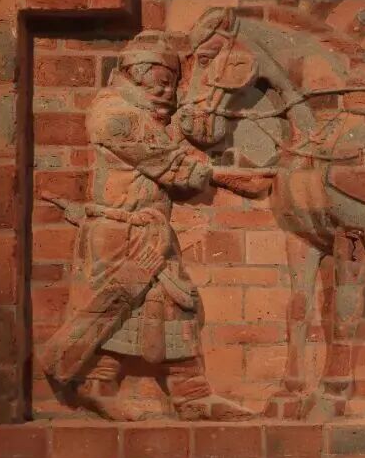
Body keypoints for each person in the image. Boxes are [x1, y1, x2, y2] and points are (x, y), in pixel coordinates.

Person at [40, 30, 268, 421]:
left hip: (146, 230)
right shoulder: (115, 116)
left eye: (172, 83)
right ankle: (96, 384)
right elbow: (172, 165)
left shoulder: (145, 117)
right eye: (160, 82)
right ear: (136, 73)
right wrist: (233, 179)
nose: (167, 92)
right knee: (114, 307)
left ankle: (191, 394)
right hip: (121, 232)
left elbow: (174, 163)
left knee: (171, 305)